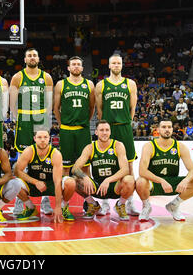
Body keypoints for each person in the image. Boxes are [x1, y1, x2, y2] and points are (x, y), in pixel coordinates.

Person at [9, 48, 54, 215]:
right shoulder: (18, 77)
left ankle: (45, 201)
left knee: (45, 162)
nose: (32, 57)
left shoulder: (46, 77)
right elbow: (12, 103)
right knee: (22, 163)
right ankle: (20, 202)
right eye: (29, 55)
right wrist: (17, 117)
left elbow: (49, 104)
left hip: (41, 119)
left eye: (35, 55)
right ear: (25, 59)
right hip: (24, 120)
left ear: (38, 58)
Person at [95, 54, 139, 215]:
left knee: (129, 166)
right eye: (113, 63)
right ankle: (105, 202)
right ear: (109, 65)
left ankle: (128, 203)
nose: (116, 65)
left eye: (118, 63)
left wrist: (126, 121)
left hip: (124, 127)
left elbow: (132, 108)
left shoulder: (130, 84)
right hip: (108, 128)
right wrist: (105, 128)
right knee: (104, 165)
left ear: (122, 65)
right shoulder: (101, 85)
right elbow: (99, 110)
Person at [136, 119, 193, 221]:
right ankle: (146, 206)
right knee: (140, 181)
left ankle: (174, 205)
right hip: (154, 183)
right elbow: (142, 171)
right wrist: (161, 181)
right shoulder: (150, 146)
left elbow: (192, 170)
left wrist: (185, 180)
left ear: (172, 129)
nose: (167, 130)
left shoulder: (180, 146)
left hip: (172, 182)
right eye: (163, 127)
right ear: (158, 130)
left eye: (169, 127)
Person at [70, 120, 136, 220]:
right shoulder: (90, 148)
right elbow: (75, 168)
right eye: (101, 130)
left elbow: (125, 169)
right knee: (74, 180)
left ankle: (120, 204)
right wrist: (85, 177)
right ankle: (92, 204)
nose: (104, 133)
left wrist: (108, 180)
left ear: (110, 132)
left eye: (107, 130)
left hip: (114, 186)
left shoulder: (118, 145)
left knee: (129, 179)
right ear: (96, 132)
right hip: (97, 186)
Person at [53, 56, 95, 210]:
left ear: (82, 68)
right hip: (67, 131)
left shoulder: (89, 84)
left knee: (85, 169)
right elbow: (56, 108)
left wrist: (84, 123)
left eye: (79, 64)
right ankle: (65, 203)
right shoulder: (61, 84)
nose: (76, 67)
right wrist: (62, 124)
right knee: (65, 169)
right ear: (68, 68)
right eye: (73, 65)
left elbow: (91, 108)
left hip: (83, 131)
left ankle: (89, 203)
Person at [14, 129, 77, 222]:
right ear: (34, 138)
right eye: (39, 137)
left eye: (45, 137)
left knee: (71, 183)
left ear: (49, 139)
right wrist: (35, 182)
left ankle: (64, 208)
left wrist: (58, 206)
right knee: (13, 183)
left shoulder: (55, 154)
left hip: (51, 184)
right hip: (34, 185)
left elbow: (57, 181)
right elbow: (17, 171)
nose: (42, 140)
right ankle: (31, 208)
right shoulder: (29, 151)